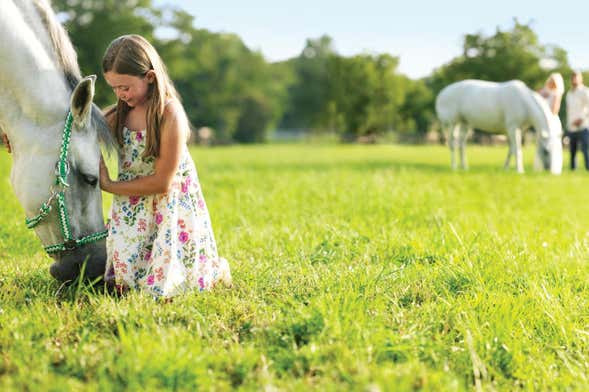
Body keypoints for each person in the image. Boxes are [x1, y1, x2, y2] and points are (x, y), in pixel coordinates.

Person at [99, 35, 231, 298]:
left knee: (167, 286)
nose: (120, 95)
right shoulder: (118, 114)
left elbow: (162, 182)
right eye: (114, 88)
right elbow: (75, 131)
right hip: (133, 210)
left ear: (149, 76)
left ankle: (215, 271)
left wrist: (110, 185)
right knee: (123, 286)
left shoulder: (169, 115)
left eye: (125, 87)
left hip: (168, 207)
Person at [565, 71, 589, 171]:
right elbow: (568, 111)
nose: (574, 79)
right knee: (572, 151)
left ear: (580, 78)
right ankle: (573, 170)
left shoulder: (585, 91)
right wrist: (568, 125)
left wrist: (581, 119)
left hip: (583, 126)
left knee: (585, 150)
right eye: (573, 77)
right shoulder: (569, 94)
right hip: (572, 128)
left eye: (576, 77)